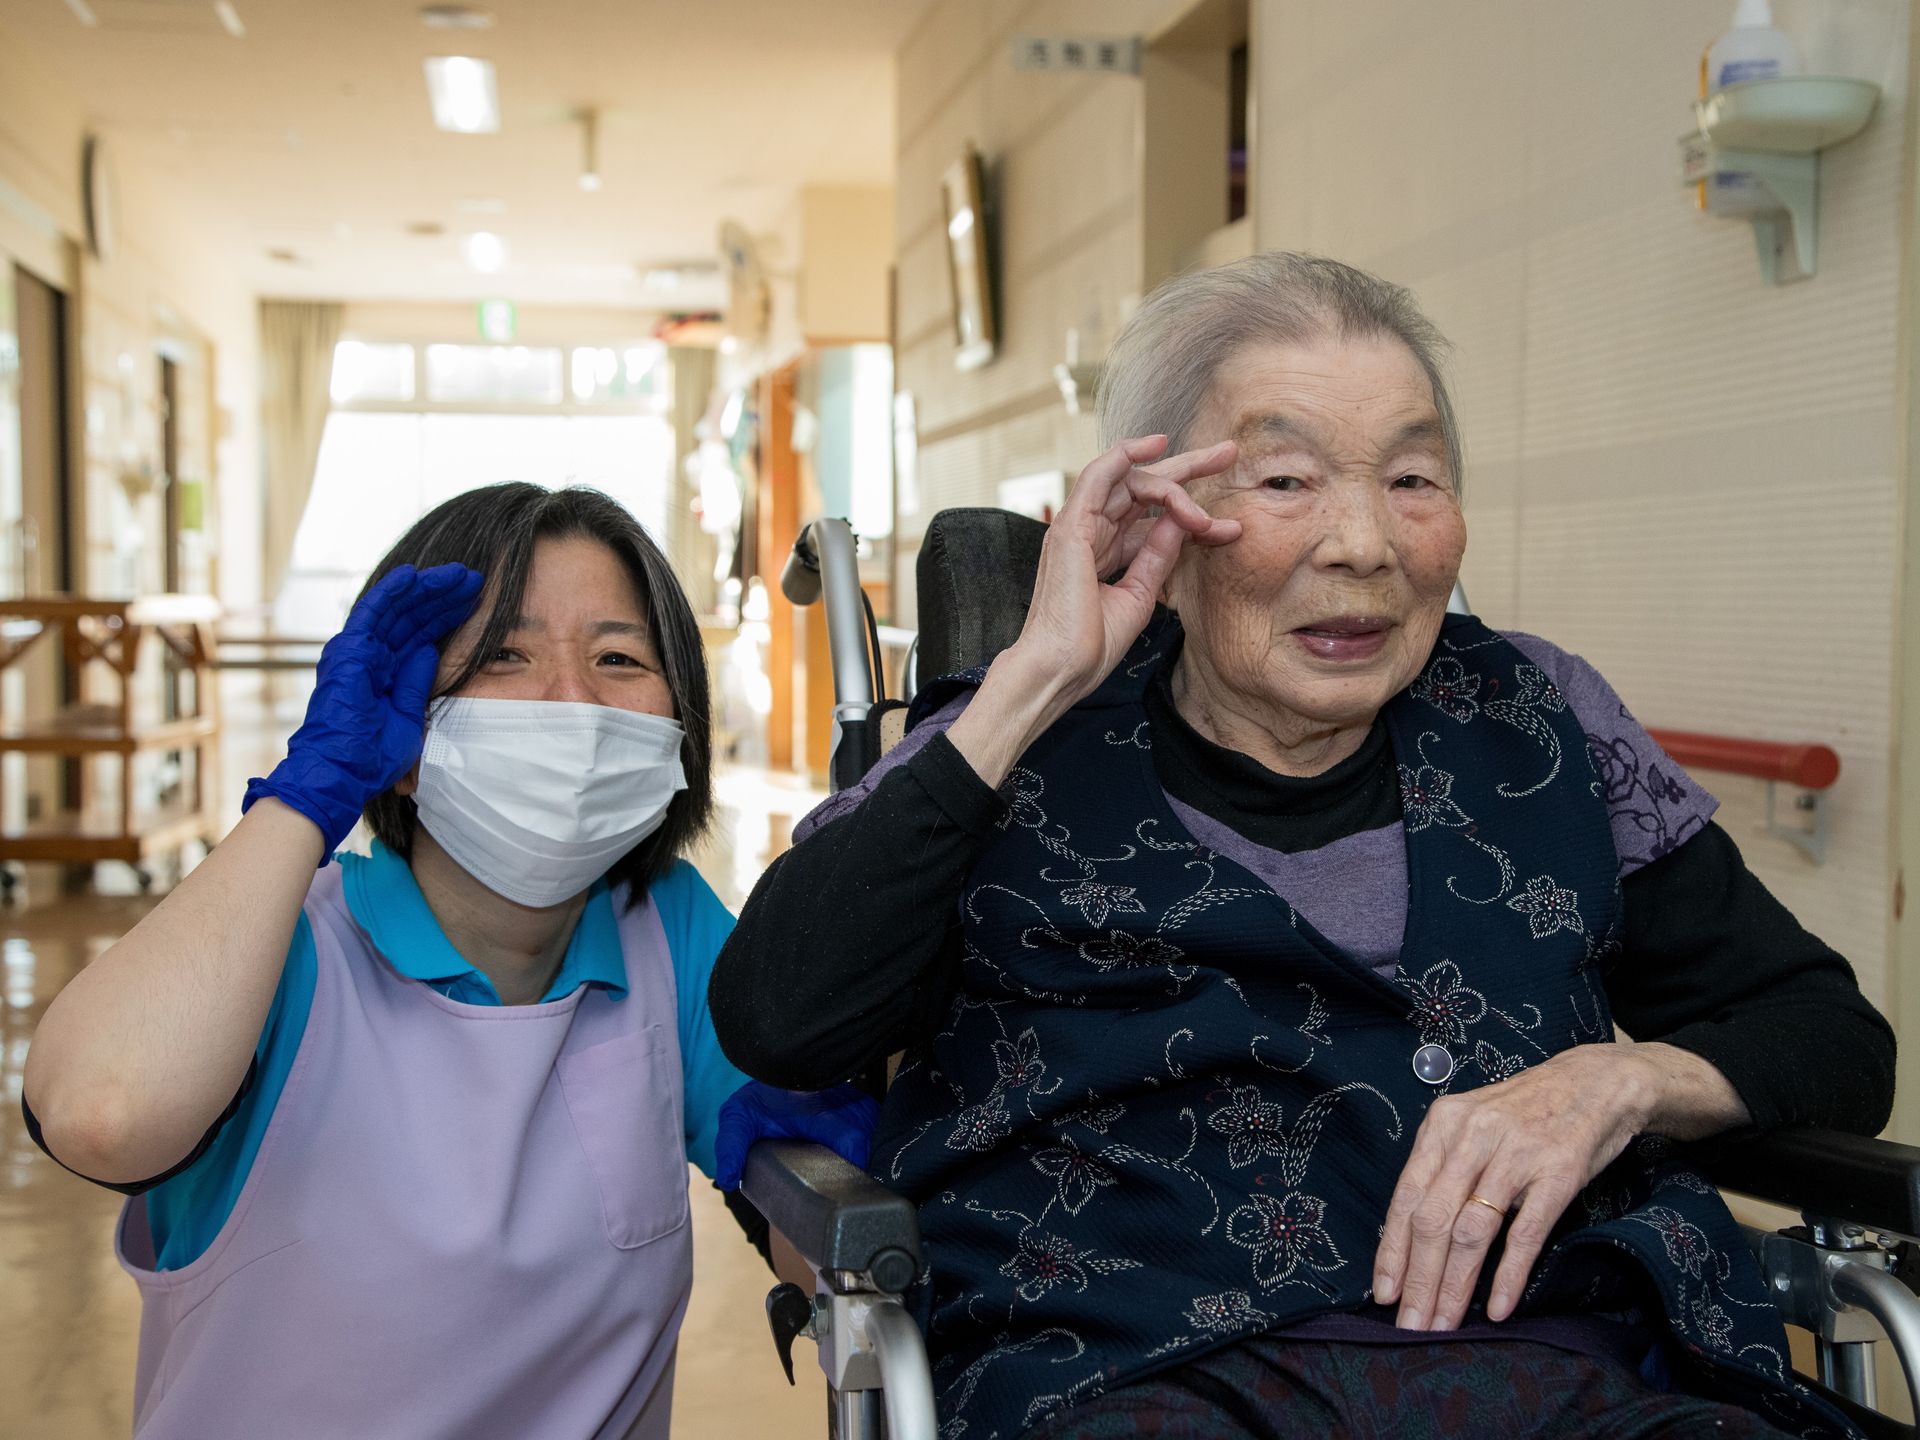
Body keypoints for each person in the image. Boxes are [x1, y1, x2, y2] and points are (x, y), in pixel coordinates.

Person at [709, 254, 1897, 1439]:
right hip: (1132, 1380)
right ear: (1157, 516)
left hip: (1563, 1376)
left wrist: (1624, 1081)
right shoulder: (1013, 734)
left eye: (1413, 478)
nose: (1365, 543)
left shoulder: (1544, 724)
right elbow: (781, 1017)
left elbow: (1830, 1037)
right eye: (1286, 478)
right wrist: (1035, 679)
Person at [22, 483, 852, 1439]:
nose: (572, 700)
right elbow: (100, 1113)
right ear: (403, 724)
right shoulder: (284, 955)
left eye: (619, 657)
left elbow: (819, 1223)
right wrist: (304, 796)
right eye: (505, 654)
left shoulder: (667, 930)